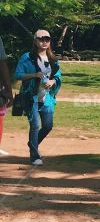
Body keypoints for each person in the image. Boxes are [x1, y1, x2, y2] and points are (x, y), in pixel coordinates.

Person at [14, 29, 62, 166]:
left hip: (46, 98)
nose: (44, 41)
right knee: (35, 125)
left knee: (47, 126)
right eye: (41, 39)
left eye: (47, 39)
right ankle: (34, 156)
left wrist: (52, 82)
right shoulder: (27, 57)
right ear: (35, 41)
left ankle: (32, 143)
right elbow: (18, 74)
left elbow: (58, 76)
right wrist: (34, 75)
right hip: (31, 97)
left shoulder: (52, 58)